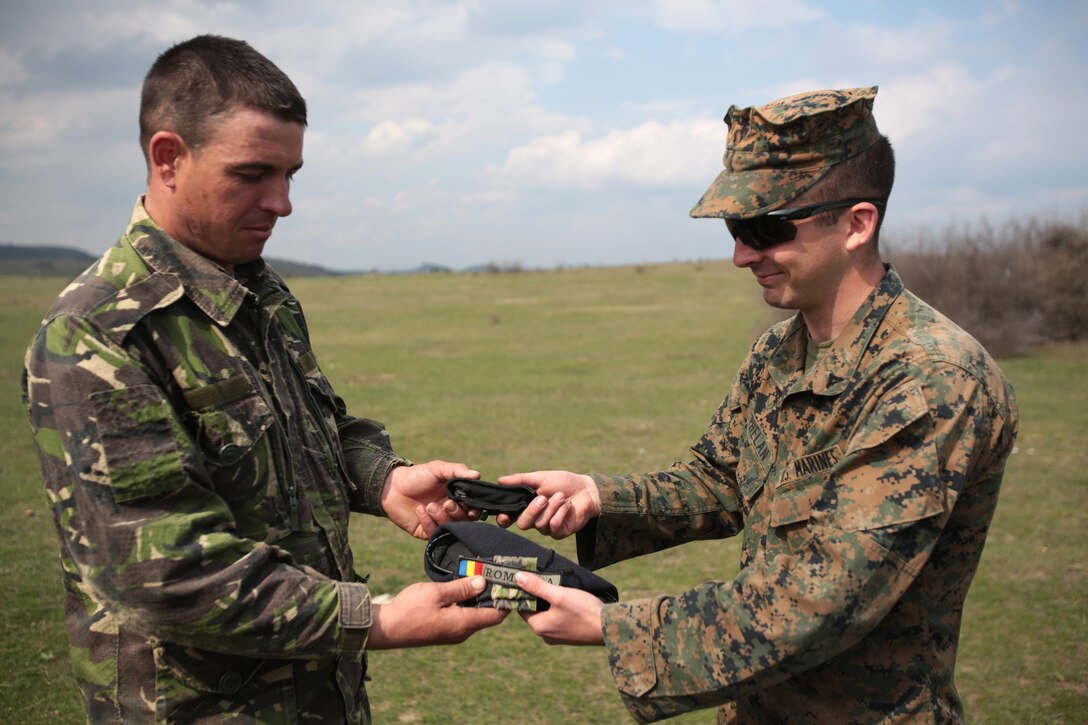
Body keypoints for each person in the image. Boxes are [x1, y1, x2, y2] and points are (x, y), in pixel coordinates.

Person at [494, 87, 1019, 723]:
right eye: (737, 230)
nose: (742, 255)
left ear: (857, 224)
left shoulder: (932, 378)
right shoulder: (779, 351)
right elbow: (719, 481)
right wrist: (596, 497)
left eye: (767, 229)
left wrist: (619, 628)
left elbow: (829, 596)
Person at [22, 34, 504, 723]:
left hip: (318, 695)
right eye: (252, 174)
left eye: (291, 175)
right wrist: (380, 618)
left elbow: (314, 431)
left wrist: (384, 477)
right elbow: (165, 574)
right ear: (168, 158)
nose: (282, 203)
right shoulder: (100, 333)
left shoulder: (258, 293)